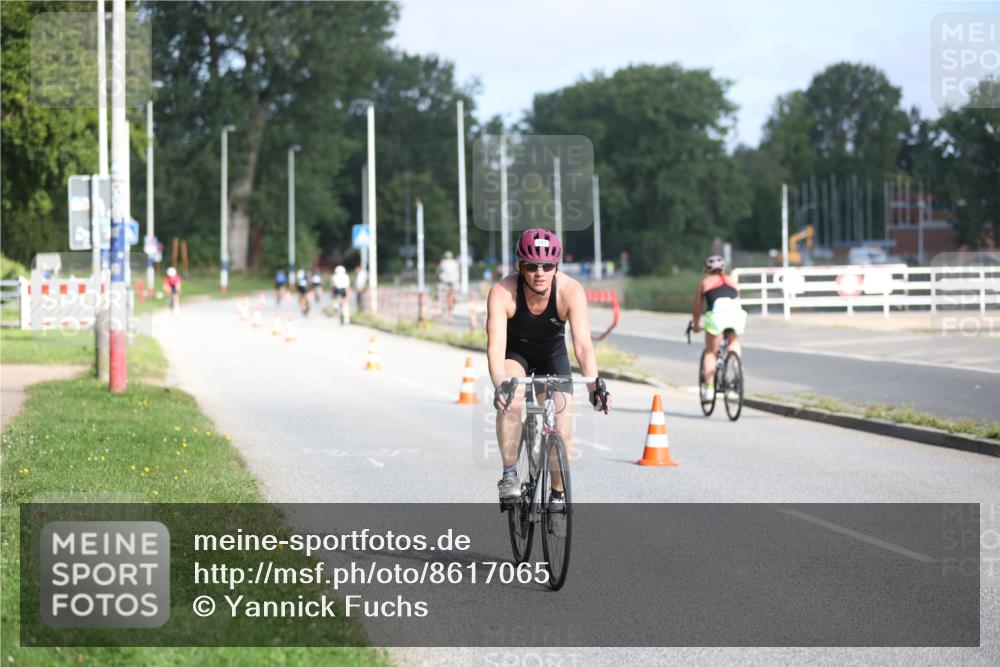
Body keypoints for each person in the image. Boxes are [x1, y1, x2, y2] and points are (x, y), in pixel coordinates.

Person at [487, 228, 611, 505]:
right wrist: (500, 386)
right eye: (531, 266)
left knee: (562, 432)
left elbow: (583, 346)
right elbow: (495, 347)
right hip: (515, 354)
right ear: (520, 266)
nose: (539, 272)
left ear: (556, 266)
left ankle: (557, 493)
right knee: (513, 400)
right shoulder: (502, 292)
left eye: (547, 265)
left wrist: (595, 387)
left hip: (551, 356)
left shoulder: (570, 291)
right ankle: (509, 475)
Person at [691, 254, 747, 401]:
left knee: (711, 352)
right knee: (733, 342)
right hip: (736, 316)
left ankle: (709, 390)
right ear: (723, 268)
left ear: (707, 270)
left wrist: (696, 325)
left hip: (717, 318)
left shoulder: (705, 282)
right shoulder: (733, 281)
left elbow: (697, 309)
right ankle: (736, 369)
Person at [436, 250, 460, 322]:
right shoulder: (455, 263)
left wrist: (438, 277)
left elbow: (438, 272)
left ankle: (445, 313)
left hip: (445, 283)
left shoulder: (443, 262)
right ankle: (451, 313)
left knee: (443, 298)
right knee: (453, 298)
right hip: (454, 283)